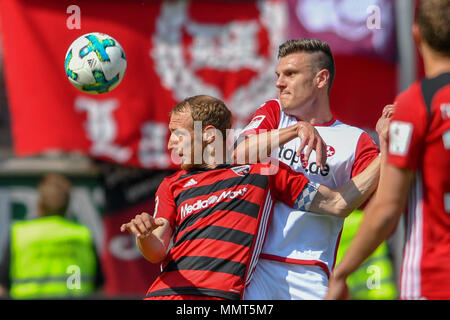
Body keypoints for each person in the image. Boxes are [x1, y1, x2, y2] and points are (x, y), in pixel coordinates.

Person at [120, 95, 387, 300]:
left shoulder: (263, 172)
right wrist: (143, 235)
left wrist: (387, 152)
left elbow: (337, 203)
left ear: (209, 136)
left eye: (177, 135)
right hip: (164, 294)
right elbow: (156, 251)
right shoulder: (172, 184)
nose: (170, 145)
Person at [233, 38, 382, 299]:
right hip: (256, 267)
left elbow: (377, 203)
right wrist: (295, 130)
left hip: (311, 273)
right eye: (278, 75)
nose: (279, 82)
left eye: (290, 74)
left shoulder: (356, 140)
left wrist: (389, 150)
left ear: (320, 79)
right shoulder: (275, 114)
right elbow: (238, 155)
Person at [326, 0, 450, 300]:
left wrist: (341, 273)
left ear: (416, 34)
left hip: (434, 277)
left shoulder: (418, 103)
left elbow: (387, 210)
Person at [0, 173, 103, 299]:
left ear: (39, 206)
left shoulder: (20, 234)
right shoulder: (83, 234)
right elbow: (99, 286)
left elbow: (3, 286)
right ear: (67, 207)